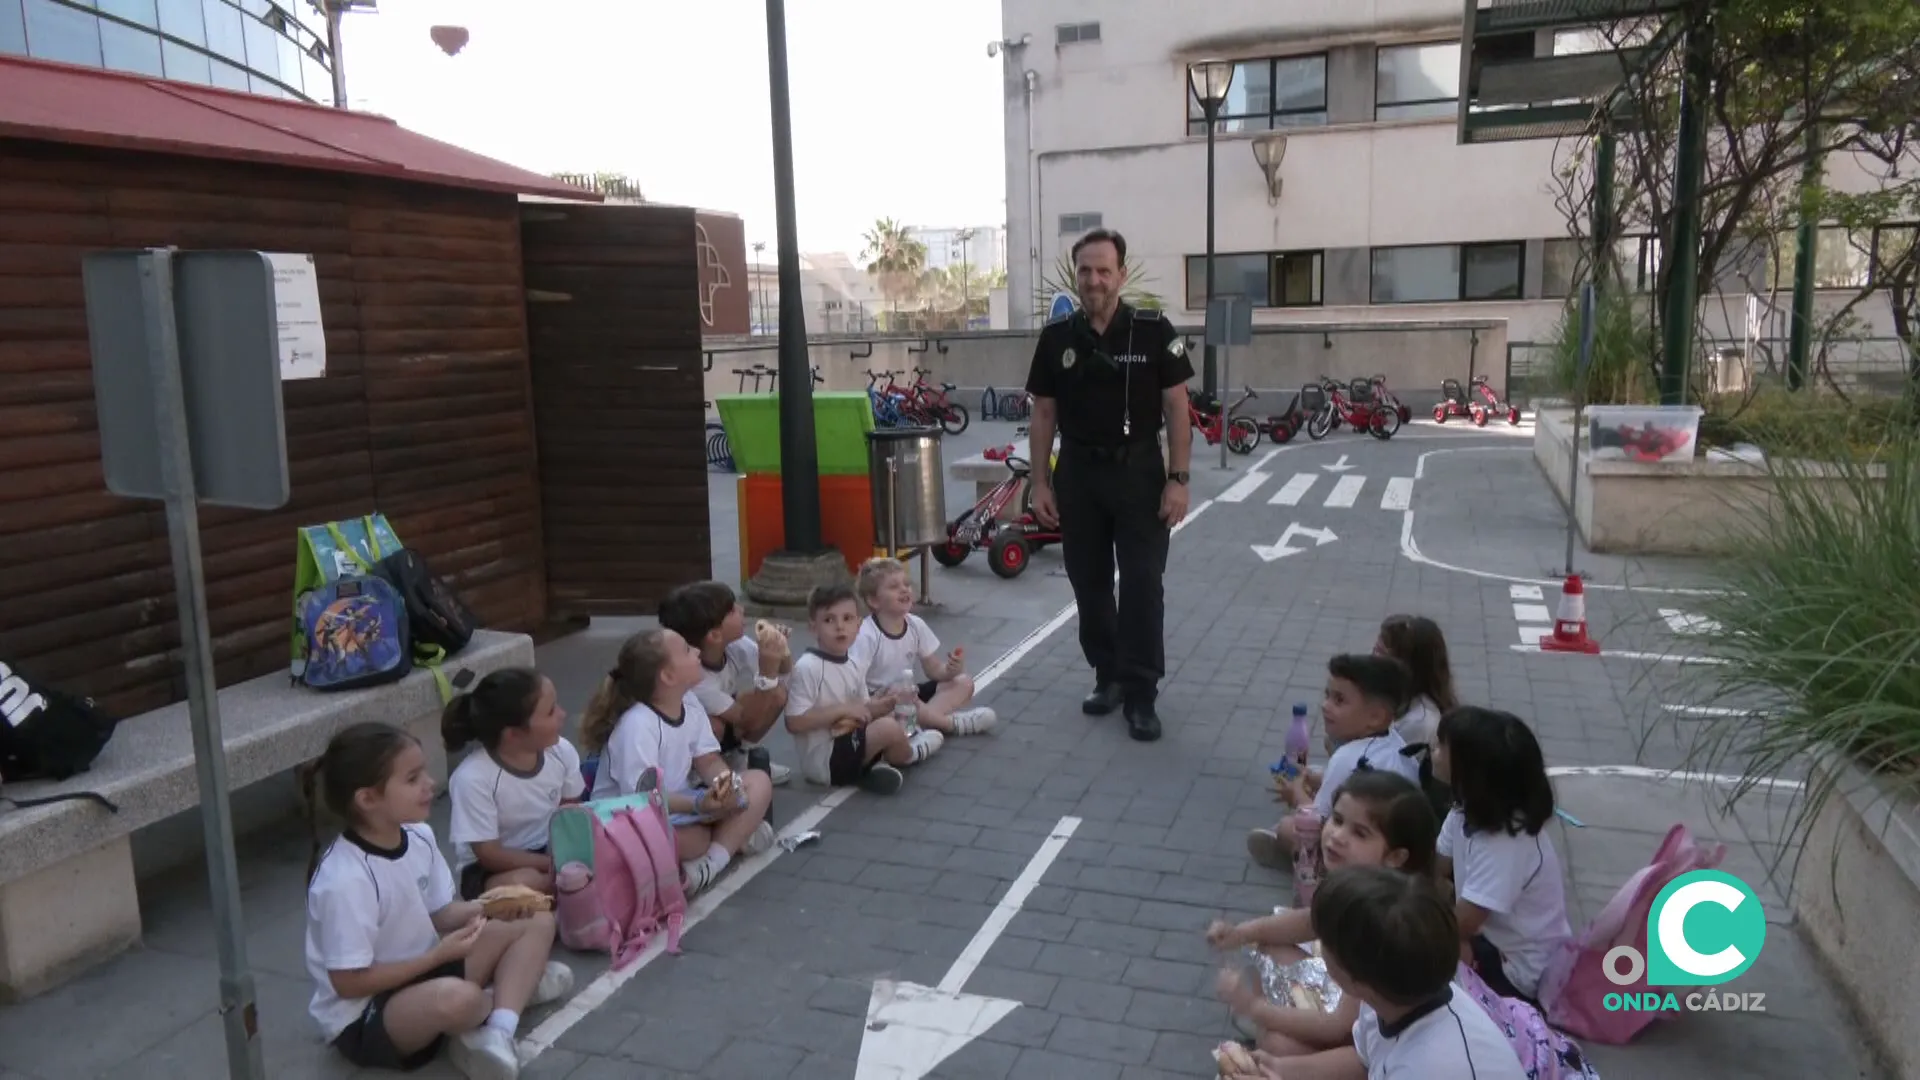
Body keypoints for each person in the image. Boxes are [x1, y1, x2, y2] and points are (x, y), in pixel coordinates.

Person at [1208, 772, 1601, 1080]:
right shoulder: (1389, 997)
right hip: (1504, 1040)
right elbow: (1364, 1057)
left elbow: (1349, 1043)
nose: (1337, 836)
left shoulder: (1428, 1064)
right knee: (1279, 1044)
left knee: (1280, 1038)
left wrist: (1256, 1009)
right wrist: (1278, 1073)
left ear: (1351, 977)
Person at [303, 722, 570, 1079]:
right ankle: (510, 990)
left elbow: (440, 914)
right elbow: (349, 982)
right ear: (367, 799)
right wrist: (437, 956)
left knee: (537, 917)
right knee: (458, 999)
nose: (429, 784)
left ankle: (499, 1030)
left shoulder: (418, 836)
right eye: (412, 779)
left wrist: (491, 906)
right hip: (367, 1014)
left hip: (426, 971)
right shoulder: (344, 880)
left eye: (424, 773)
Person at [1023, 227, 1193, 742]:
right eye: (1085, 270)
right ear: (1076, 277)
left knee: (1142, 584)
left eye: (1103, 270)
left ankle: (1142, 693)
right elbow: (1044, 412)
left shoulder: (1153, 329)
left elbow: (1177, 407)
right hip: (1078, 473)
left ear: (1120, 274)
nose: (1094, 279)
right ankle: (1108, 675)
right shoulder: (1057, 338)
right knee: (1088, 582)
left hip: (1139, 473)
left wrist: (1178, 479)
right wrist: (1040, 482)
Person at [579, 628, 777, 897]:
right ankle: (730, 840)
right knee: (694, 839)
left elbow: (708, 761)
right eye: (686, 650)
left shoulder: (689, 702)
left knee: (758, 782)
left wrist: (728, 786)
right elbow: (642, 798)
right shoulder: (638, 725)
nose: (696, 651)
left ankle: (709, 864)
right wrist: (699, 804)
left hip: (677, 807)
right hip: (631, 819)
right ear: (668, 676)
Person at [1310, 867, 1528, 1079]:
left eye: (1325, 940)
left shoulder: (1427, 1067)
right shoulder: (1387, 992)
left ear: (1355, 980)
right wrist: (1278, 1067)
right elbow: (1363, 1062)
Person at [1433, 707, 1573, 1004]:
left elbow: (1465, 921)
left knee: (1417, 962)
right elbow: (1435, 867)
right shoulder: (1464, 811)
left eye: (1441, 748)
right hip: (1488, 939)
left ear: (1471, 772)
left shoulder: (1505, 842)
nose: (1433, 752)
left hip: (1518, 969)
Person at [1248, 654, 1423, 871]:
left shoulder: (1347, 757)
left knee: (1288, 826)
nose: (1325, 706)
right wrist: (1317, 779)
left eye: (1339, 700)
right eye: (1327, 696)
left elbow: (1315, 819)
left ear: (1375, 718)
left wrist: (1296, 795)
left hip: (1367, 862)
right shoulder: (1394, 741)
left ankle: (1306, 863)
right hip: (1395, 853)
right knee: (1316, 774)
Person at [443, 668, 585, 901]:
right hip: (492, 869)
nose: (562, 714)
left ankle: (562, 899)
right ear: (513, 735)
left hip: (549, 850)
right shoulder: (472, 778)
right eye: (550, 712)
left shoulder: (561, 751)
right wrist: (551, 864)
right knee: (527, 882)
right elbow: (489, 854)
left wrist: (572, 855)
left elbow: (570, 813)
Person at [785, 582, 933, 793]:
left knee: (893, 717)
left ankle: (868, 771)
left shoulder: (852, 663)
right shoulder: (808, 667)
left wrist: (889, 703)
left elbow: (864, 710)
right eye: (829, 620)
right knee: (888, 729)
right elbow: (794, 722)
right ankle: (912, 753)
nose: (839, 626)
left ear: (858, 625)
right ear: (813, 627)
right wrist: (844, 710)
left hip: (849, 743)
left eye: (847, 619)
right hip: (824, 760)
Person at [657, 580, 795, 786]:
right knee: (716, 726)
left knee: (778, 693)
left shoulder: (735, 644)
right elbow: (748, 721)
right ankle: (695, 772)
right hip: (686, 731)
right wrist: (767, 672)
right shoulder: (696, 679)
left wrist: (780, 649)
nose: (741, 609)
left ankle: (739, 756)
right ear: (714, 635)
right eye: (731, 610)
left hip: (722, 717)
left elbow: (783, 670)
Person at [851, 556, 997, 737]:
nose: (904, 589)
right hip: (881, 703)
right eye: (894, 587)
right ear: (873, 600)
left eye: (906, 584)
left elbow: (934, 669)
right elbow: (854, 683)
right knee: (902, 696)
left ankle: (921, 724)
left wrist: (952, 669)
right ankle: (950, 724)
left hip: (907, 697)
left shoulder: (915, 624)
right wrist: (878, 702)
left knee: (963, 682)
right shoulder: (866, 635)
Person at [1374, 615, 1459, 749]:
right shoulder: (1393, 697)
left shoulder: (1418, 723)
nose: (1372, 661)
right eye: (1375, 651)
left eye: (1381, 654)